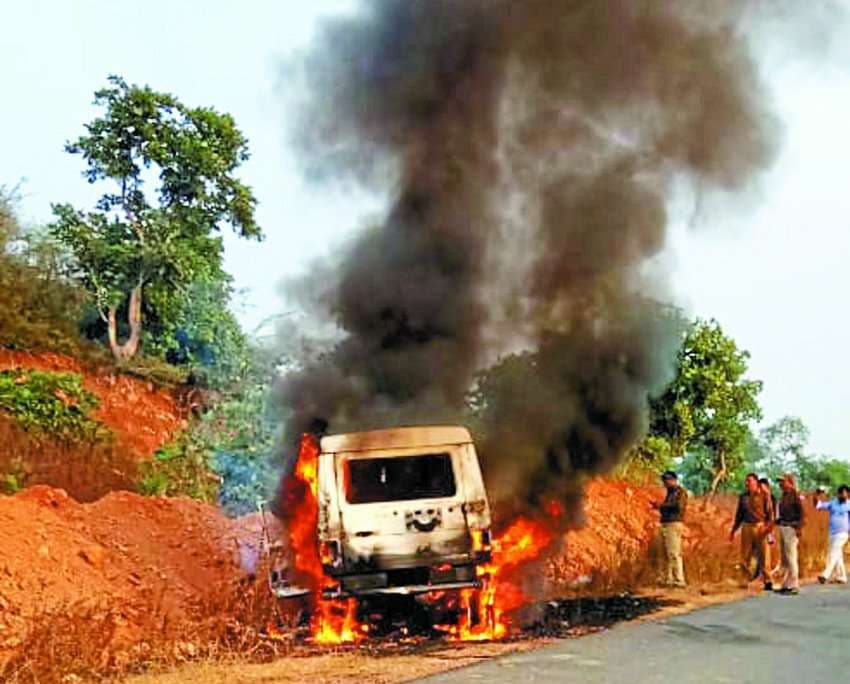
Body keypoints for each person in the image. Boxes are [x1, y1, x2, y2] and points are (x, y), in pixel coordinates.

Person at [729, 473, 773, 591]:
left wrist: (768, 528)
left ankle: (767, 580)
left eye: (749, 481)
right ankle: (745, 580)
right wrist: (734, 530)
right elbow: (739, 515)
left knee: (764, 555)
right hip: (747, 526)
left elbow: (770, 512)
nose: (747, 483)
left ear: (756, 482)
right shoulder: (743, 496)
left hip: (760, 526)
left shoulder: (764, 494)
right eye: (746, 481)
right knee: (745, 556)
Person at [651, 470, 688, 588]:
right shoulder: (670, 493)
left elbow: (678, 507)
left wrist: (661, 505)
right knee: (664, 552)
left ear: (673, 480)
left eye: (667, 480)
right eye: (664, 481)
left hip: (674, 524)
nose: (665, 483)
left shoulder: (680, 492)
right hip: (666, 523)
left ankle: (679, 580)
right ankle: (668, 579)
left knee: (673, 552)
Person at [774, 473, 805, 595]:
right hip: (783, 525)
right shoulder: (784, 496)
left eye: (783, 481)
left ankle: (794, 584)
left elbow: (802, 513)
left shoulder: (795, 495)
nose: (781, 484)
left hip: (791, 527)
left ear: (790, 482)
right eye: (780, 482)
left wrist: (799, 528)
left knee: (791, 557)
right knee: (785, 558)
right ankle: (786, 584)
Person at [814, 484, 850, 584]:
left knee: (833, 553)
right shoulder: (833, 503)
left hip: (843, 533)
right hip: (832, 533)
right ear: (838, 494)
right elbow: (818, 505)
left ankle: (825, 574)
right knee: (837, 554)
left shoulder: (849, 505)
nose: (844, 496)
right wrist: (817, 494)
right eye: (842, 494)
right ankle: (842, 577)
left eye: (846, 494)